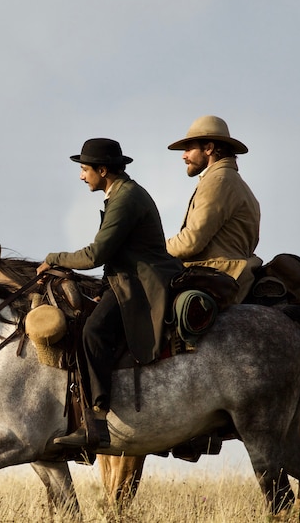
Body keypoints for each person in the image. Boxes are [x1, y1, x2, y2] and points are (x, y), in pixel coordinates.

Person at [37, 138, 183, 448]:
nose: (81, 176)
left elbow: (95, 255)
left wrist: (54, 258)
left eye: (84, 169)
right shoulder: (121, 193)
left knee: (93, 331)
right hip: (124, 278)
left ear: (102, 170)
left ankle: (98, 420)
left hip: (140, 284)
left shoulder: (126, 199)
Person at [166, 115, 261, 302]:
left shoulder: (217, 180)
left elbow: (191, 242)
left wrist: (152, 248)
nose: (184, 156)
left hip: (218, 273)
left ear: (209, 148)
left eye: (189, 149)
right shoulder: (232, 180)